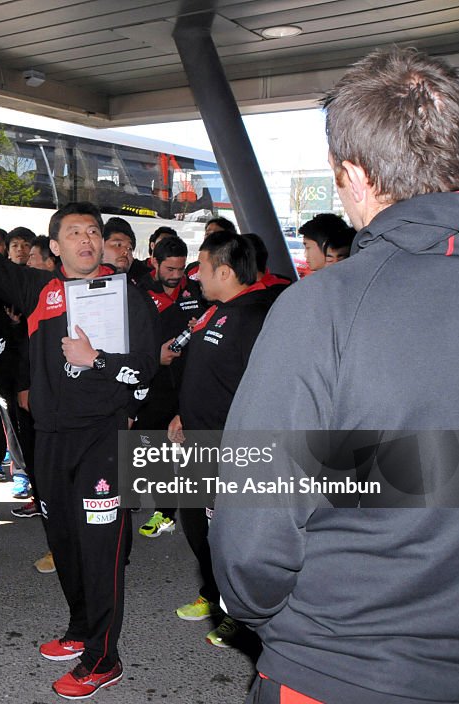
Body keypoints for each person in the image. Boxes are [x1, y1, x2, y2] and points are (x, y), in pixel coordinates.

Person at [209, 47, 459, 704]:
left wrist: (277, 623)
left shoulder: (323, 307)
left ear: (353, 173)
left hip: (344, 671)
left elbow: (252, 541)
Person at [0, 200, 158, 700]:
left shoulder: (130, 296)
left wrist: (96, 360)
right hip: (52, 440)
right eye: (75, 233)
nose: (88, 240)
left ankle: (104, 658)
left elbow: (146, 369)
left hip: (105, 440)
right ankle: (81, 629)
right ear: (56, 247)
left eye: (94, 232)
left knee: (102, 553)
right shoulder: (40, 289)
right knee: (64, 540)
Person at [167, 231, 272, 649]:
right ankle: (214, 595)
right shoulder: (220, 310)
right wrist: (183, 413)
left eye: (202, 268)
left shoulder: (257, 316)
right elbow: (205, 373)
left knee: (228, 536)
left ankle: (239, 614)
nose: (195, 276)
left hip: (229, 451)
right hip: (197, 442)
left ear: (225, 272)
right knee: (199, 527)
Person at [134, 235, 204, 538]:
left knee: (192, 450)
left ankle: (197, 514)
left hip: (190, 383)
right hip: (152, 384)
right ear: (154, 264)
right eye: (170, 269)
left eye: (181, 269)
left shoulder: (196, 290)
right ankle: (164, 512)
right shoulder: (137, 292)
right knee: (152, 449)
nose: (176, 276)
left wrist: (198, 328)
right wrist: (153, 356)